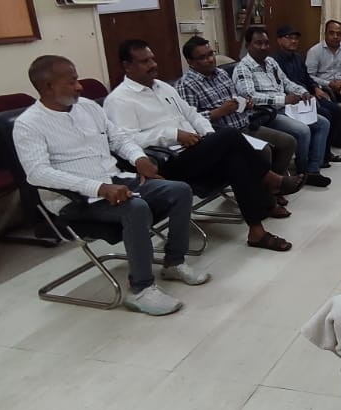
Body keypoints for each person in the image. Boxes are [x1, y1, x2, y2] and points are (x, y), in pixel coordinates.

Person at [14, 55, 204, 316]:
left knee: (179, 190)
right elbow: (37, 173)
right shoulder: (29, 124)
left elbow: (118, 138)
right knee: (135, 208)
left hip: (115, 180)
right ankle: (141, 289)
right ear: (49, 87)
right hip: (74, 200)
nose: (79, 86)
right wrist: (98, 188)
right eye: (72, 82)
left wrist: (139, 159)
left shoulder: (88, 107)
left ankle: (173, 262)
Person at [104, 39, 298, 251]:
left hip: (195, 151)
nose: (153, 65)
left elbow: (192, 114)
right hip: (168, 162)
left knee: (235, 159)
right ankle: (270, 179)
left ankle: (256, 231)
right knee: (229, 135)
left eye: (152, 59)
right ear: (127, 66)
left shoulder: (163, 87)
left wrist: (209, 137)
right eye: (144, 61)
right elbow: (127, 140)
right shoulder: (119, 100)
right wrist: (173, 135)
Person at [177, 35, 298, 185]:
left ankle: (274, 187)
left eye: (211, 54)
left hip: (245, 125)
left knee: (288, 142)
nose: (210, 60)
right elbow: (190, 122)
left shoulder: (221, 73)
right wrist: (220, 111)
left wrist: (244, 103)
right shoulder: (186, 85)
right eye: (203, 57)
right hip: (223, 136)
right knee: (263, 151)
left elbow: (235, 98)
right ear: (190, 62)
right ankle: (263, 194)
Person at [234, 27, 332, 187]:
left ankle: (313, 169)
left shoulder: (270, 62)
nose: (263, 47)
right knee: (303, 130)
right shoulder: (243, 68)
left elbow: (286, 82)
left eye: (266, 43)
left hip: (285, 108)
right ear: (248, 45)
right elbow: (250, 97)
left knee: (323, 123)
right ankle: (303, 171)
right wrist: (283, 99)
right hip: (265, 113)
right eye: (258, 43)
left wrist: (302, 91)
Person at [271, 25, 341, 163]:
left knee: (337, 111)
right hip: (292, 100)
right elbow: (282, 86)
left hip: (308, 95)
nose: (294, 41)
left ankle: (324, 151)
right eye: (289, 38)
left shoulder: (298, 57)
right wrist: (302, 95)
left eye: (296, 38)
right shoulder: (273, 61)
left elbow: (307, 77)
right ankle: (315, 155)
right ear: (279, 40)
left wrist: (316, 88)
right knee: (325, 114)